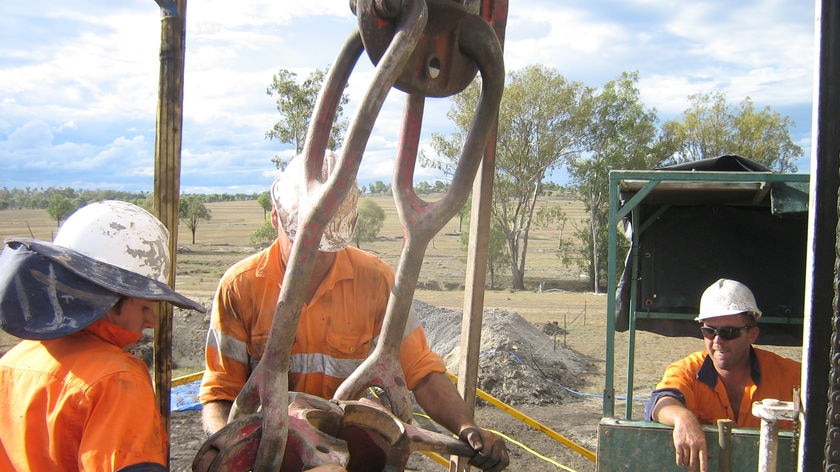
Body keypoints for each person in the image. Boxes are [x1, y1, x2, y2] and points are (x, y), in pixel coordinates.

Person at [199, 153, 509, 471]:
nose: (315, 256)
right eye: (304, 241)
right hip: (271, 454)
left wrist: (466, 428)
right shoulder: (240, 286)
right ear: (276, 217)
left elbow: (423, 373)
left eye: (325, 245)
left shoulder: (376, 280)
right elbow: (220, 393)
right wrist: (225, 446)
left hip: (349, 455)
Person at [0, 200, 206, 472]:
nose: (152, 322)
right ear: (107, 298)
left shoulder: (14, 361)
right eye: (145, 305)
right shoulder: (117, 379)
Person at [644, 278, 801, 472]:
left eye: (728, 332)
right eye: (709, 331)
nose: (717, 341)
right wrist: (683, 418)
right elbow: (660, 402)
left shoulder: (791, 375)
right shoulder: (687, 370)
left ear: (752, 334)